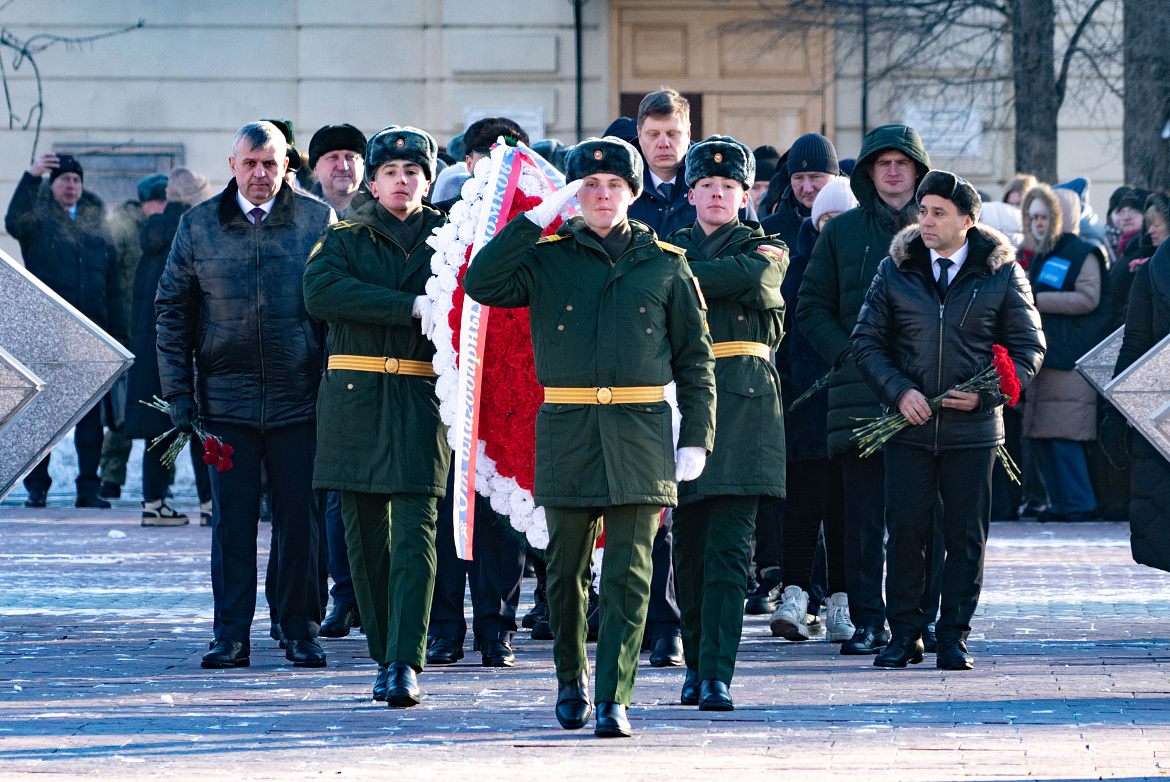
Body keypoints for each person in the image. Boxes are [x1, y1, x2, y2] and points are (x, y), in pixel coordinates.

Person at [463, 136, 716, 738]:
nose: (603, 196)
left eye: (615, 187)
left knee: (631, 573)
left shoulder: (666, 263)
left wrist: (697, 437)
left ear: (632, 194)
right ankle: (571, 680)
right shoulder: (547, 257)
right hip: (569, 429)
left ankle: (614, 697)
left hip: (641, 434)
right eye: (589, 188)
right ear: (573, 198)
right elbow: (481, 281)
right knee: (566, 570)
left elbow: (695, 359)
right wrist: (536, 219)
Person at [156, 121, 335, 669]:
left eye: (271, 164)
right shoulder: (198, 225)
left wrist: (331, 385)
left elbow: (332, 313)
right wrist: (178, 394)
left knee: (299, 520)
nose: (261, 174)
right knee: (231, 524)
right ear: (233, 165)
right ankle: (231, 633)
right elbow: (172, 311)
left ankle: (300, 628)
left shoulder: (315, 220)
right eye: (251, 163)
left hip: (298, 398)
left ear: (288, 167)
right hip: (224, 401)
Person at [852, 171, 1045, 670]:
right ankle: (905, 635)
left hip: (973, 432)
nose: (927, 221)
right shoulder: (896, 268)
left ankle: (953, 633)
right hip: (909, 427)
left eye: (939, 212)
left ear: (968, 220)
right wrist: (899, 392)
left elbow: (1029, 349)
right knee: (907, 531)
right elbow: (867, 342)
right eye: (923, 211)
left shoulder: (1001, 273)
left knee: (965, 535)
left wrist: (985, 398)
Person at [303, 125, 450, 707]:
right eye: (390, 172)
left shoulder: (449, 239)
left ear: (428, 179)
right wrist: (410, 306)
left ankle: (404, 660)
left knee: (417, 535)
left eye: (412, 171)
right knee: (364, 539)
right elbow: (321, 294)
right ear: (373, 178)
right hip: (355, 400)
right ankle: (385, 653)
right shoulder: (345, 237)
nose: (401, 181)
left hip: (421, 399)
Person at [797, 124, 931, 656]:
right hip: (860, 397)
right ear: (869, 172)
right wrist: (852, 357)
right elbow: (810, 306)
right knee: (862, 520)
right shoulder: (843, 232)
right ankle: (868, 620)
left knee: (918, 520)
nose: (893, 171)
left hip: (927, 398)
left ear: (918, 171)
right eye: (882, 163)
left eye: (903, 162)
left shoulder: (940, 227)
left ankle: (913, 621)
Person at [666, 135, 786, 710]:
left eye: (729, 186)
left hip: (745, 409)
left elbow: (761, 281)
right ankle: (695, 663)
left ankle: (718, 672)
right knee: (687, 548)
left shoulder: (769, 247)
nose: (718, 194)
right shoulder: (668, 246)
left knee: (732, 549)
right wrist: (722, 276)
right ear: (690, 193)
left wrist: (684, 278)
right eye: (707, 185)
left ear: (745, 195)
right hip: (683, 404)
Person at [425, 117, 530, 668]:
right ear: (465, 164)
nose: (491, 165)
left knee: (500, 517)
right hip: (452, 391)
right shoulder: (447, 227)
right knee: (450, 514)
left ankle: (498, 627)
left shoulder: (540, 227)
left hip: (510, 391)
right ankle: (445, 627)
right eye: (481, 156)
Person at [6, 152, 126, 509]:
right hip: (46, 334)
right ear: (52, 185)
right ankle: (37, 486)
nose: (71, 186)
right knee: (43, 417)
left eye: (76, 180)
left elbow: (112, 285)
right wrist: (31, 176)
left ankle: (88, 489)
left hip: (90, 337)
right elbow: (14, 222)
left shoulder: (96, 223)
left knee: (90, 420)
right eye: (64, 180)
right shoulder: (38, 219)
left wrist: (118, 337)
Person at [767, 176, 857, 641]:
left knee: (844, 508)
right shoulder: (793, 266)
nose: (832, 228)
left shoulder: (865, 265)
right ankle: (795, 594)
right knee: (800, 506)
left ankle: (842, 600)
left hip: (851, 405)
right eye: (826, 220)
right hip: (802, 404)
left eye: (842, 220)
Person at [123, 168, 215, 526]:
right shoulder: (194, 235)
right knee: (200, 423)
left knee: (159, 428)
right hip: (188, 346)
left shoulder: (151, 239)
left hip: (151, 349)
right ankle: (210, 503)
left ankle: (154, 503)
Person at [1020, 184, 1108, 522]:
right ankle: (1058, 503)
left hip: (1070, 359)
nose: (1038, 224)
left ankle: (1079, 504)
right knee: (1043, 437)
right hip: (1046, 357)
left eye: (1044, 217)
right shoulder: (1042, 255)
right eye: (1033, 218)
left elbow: (1089, 298)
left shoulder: (1085, 252)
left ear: (1062, 216)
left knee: (1065, 438)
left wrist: (1037, 301)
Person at [99, 174, 168, 500]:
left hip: (155, 331)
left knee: (159, 410)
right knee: (124, 414)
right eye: (160, 200)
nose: (164, 207)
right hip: (127, 331)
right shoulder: (123, 229)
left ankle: (160, 482)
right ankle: (111, 478)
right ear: (146, 202)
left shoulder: (163, 229)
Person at [1108, 239, 1170, 574]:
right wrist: (1115, 414)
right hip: (1163, 414)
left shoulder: (1155, 266)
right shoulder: (1156, 267)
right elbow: (1136, 343)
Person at [432, 116, 529, 214]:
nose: (498, 168)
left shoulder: (537, 214)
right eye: (487, 160)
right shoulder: (443, 216)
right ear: (469, 164)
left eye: (507, 159)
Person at [308, 123, 370, 216]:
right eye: (333, 157)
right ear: (315, 168)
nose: (343, 167)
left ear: (363, 164)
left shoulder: (383, 212)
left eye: (351, 157)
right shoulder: (300, 213)